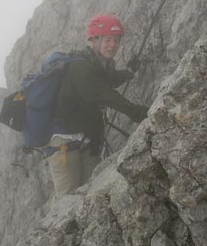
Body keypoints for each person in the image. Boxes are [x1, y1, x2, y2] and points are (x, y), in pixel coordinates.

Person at [45, 14, 148, 199]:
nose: (113, 45)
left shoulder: (100, 64)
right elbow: (103, 93)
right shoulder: (80, 67)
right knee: (67, 203)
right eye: (108, 39)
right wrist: (139, 113)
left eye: (116, 40)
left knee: (91, 197)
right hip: (65, 145)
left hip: (89, 142)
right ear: (94, 40)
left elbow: (108, 80)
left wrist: (129, 73)